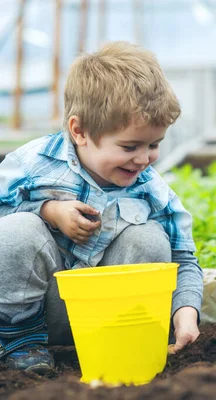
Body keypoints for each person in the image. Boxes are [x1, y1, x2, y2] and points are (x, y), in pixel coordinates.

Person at [0, 42, 204, 373]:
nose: (143, 159)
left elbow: (183, 260)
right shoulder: (31, 164)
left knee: (150, 238)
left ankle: (124, 343)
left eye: (153, 145)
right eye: (129, 146)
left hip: (109, 317)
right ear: (79, 131)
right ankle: (21, 343)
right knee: (17, 230)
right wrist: (48, 210)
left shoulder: (151, 189)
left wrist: (185, 314)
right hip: (36, 310)